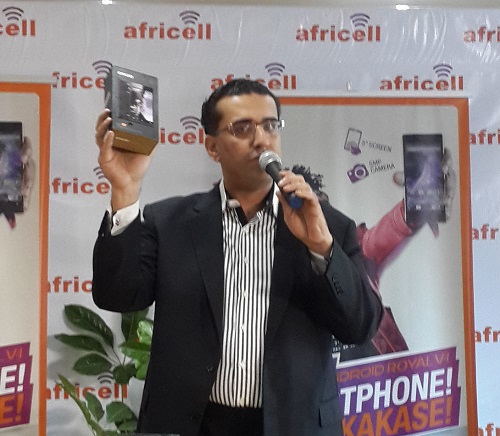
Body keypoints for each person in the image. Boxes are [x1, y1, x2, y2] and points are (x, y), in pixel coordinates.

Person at [92, 78, 382, 436]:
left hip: (293, 425)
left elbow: (360, 327)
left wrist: (322, 247)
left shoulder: (327, 226)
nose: (262, 139)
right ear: (212, 147)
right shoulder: (169, 223)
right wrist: (124, 190)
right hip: (194, 425)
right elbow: (117, 296)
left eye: (270, 125)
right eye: (242, 128)